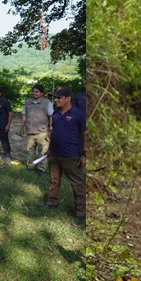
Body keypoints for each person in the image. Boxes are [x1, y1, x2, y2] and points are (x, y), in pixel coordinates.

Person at [39, 87, 87, 226]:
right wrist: (49, 149)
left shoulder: (78, 114)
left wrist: (84, 154)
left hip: (71, 155)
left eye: (59, 98)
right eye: (55, 97)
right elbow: (53, 132)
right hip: (55, 154)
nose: (56, 100)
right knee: (54, 180)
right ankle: (51, 202)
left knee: (77, 184)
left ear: (68, 99)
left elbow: (85, 135)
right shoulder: (55, 114)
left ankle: (80, 212)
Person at [20, 84, 53, 175]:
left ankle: (41, 169)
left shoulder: (47, 103)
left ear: (42, 93)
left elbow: (51, 116)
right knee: (30, 150)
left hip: (42, 131)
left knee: (43, 151)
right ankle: (30, 166)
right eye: (33, 91)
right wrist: (22, 127)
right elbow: (24, 115)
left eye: (37, 92)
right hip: (30, 130)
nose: (34, 93)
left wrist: (50, 128)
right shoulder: (28, 102)